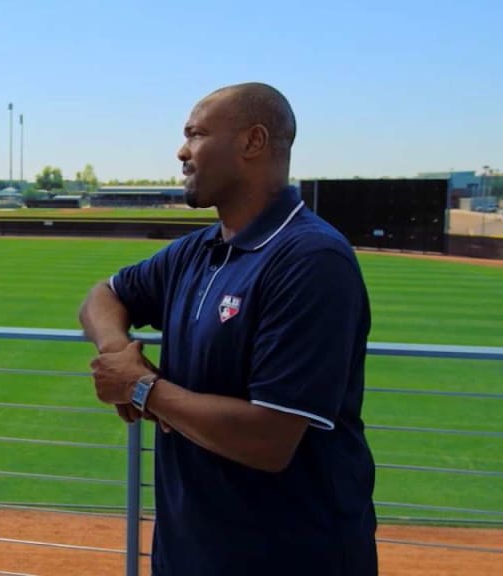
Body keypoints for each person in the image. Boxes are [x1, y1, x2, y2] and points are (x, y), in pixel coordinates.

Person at [78, 82, 377, 575]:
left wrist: (140, 387)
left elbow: (270, 438)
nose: (181, 151)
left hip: (293, 558)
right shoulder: (196, 251)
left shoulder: (311, 259)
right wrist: (118, 352)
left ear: (252, 142)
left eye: (195, 134)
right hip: (189, 554)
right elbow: (102, 296)